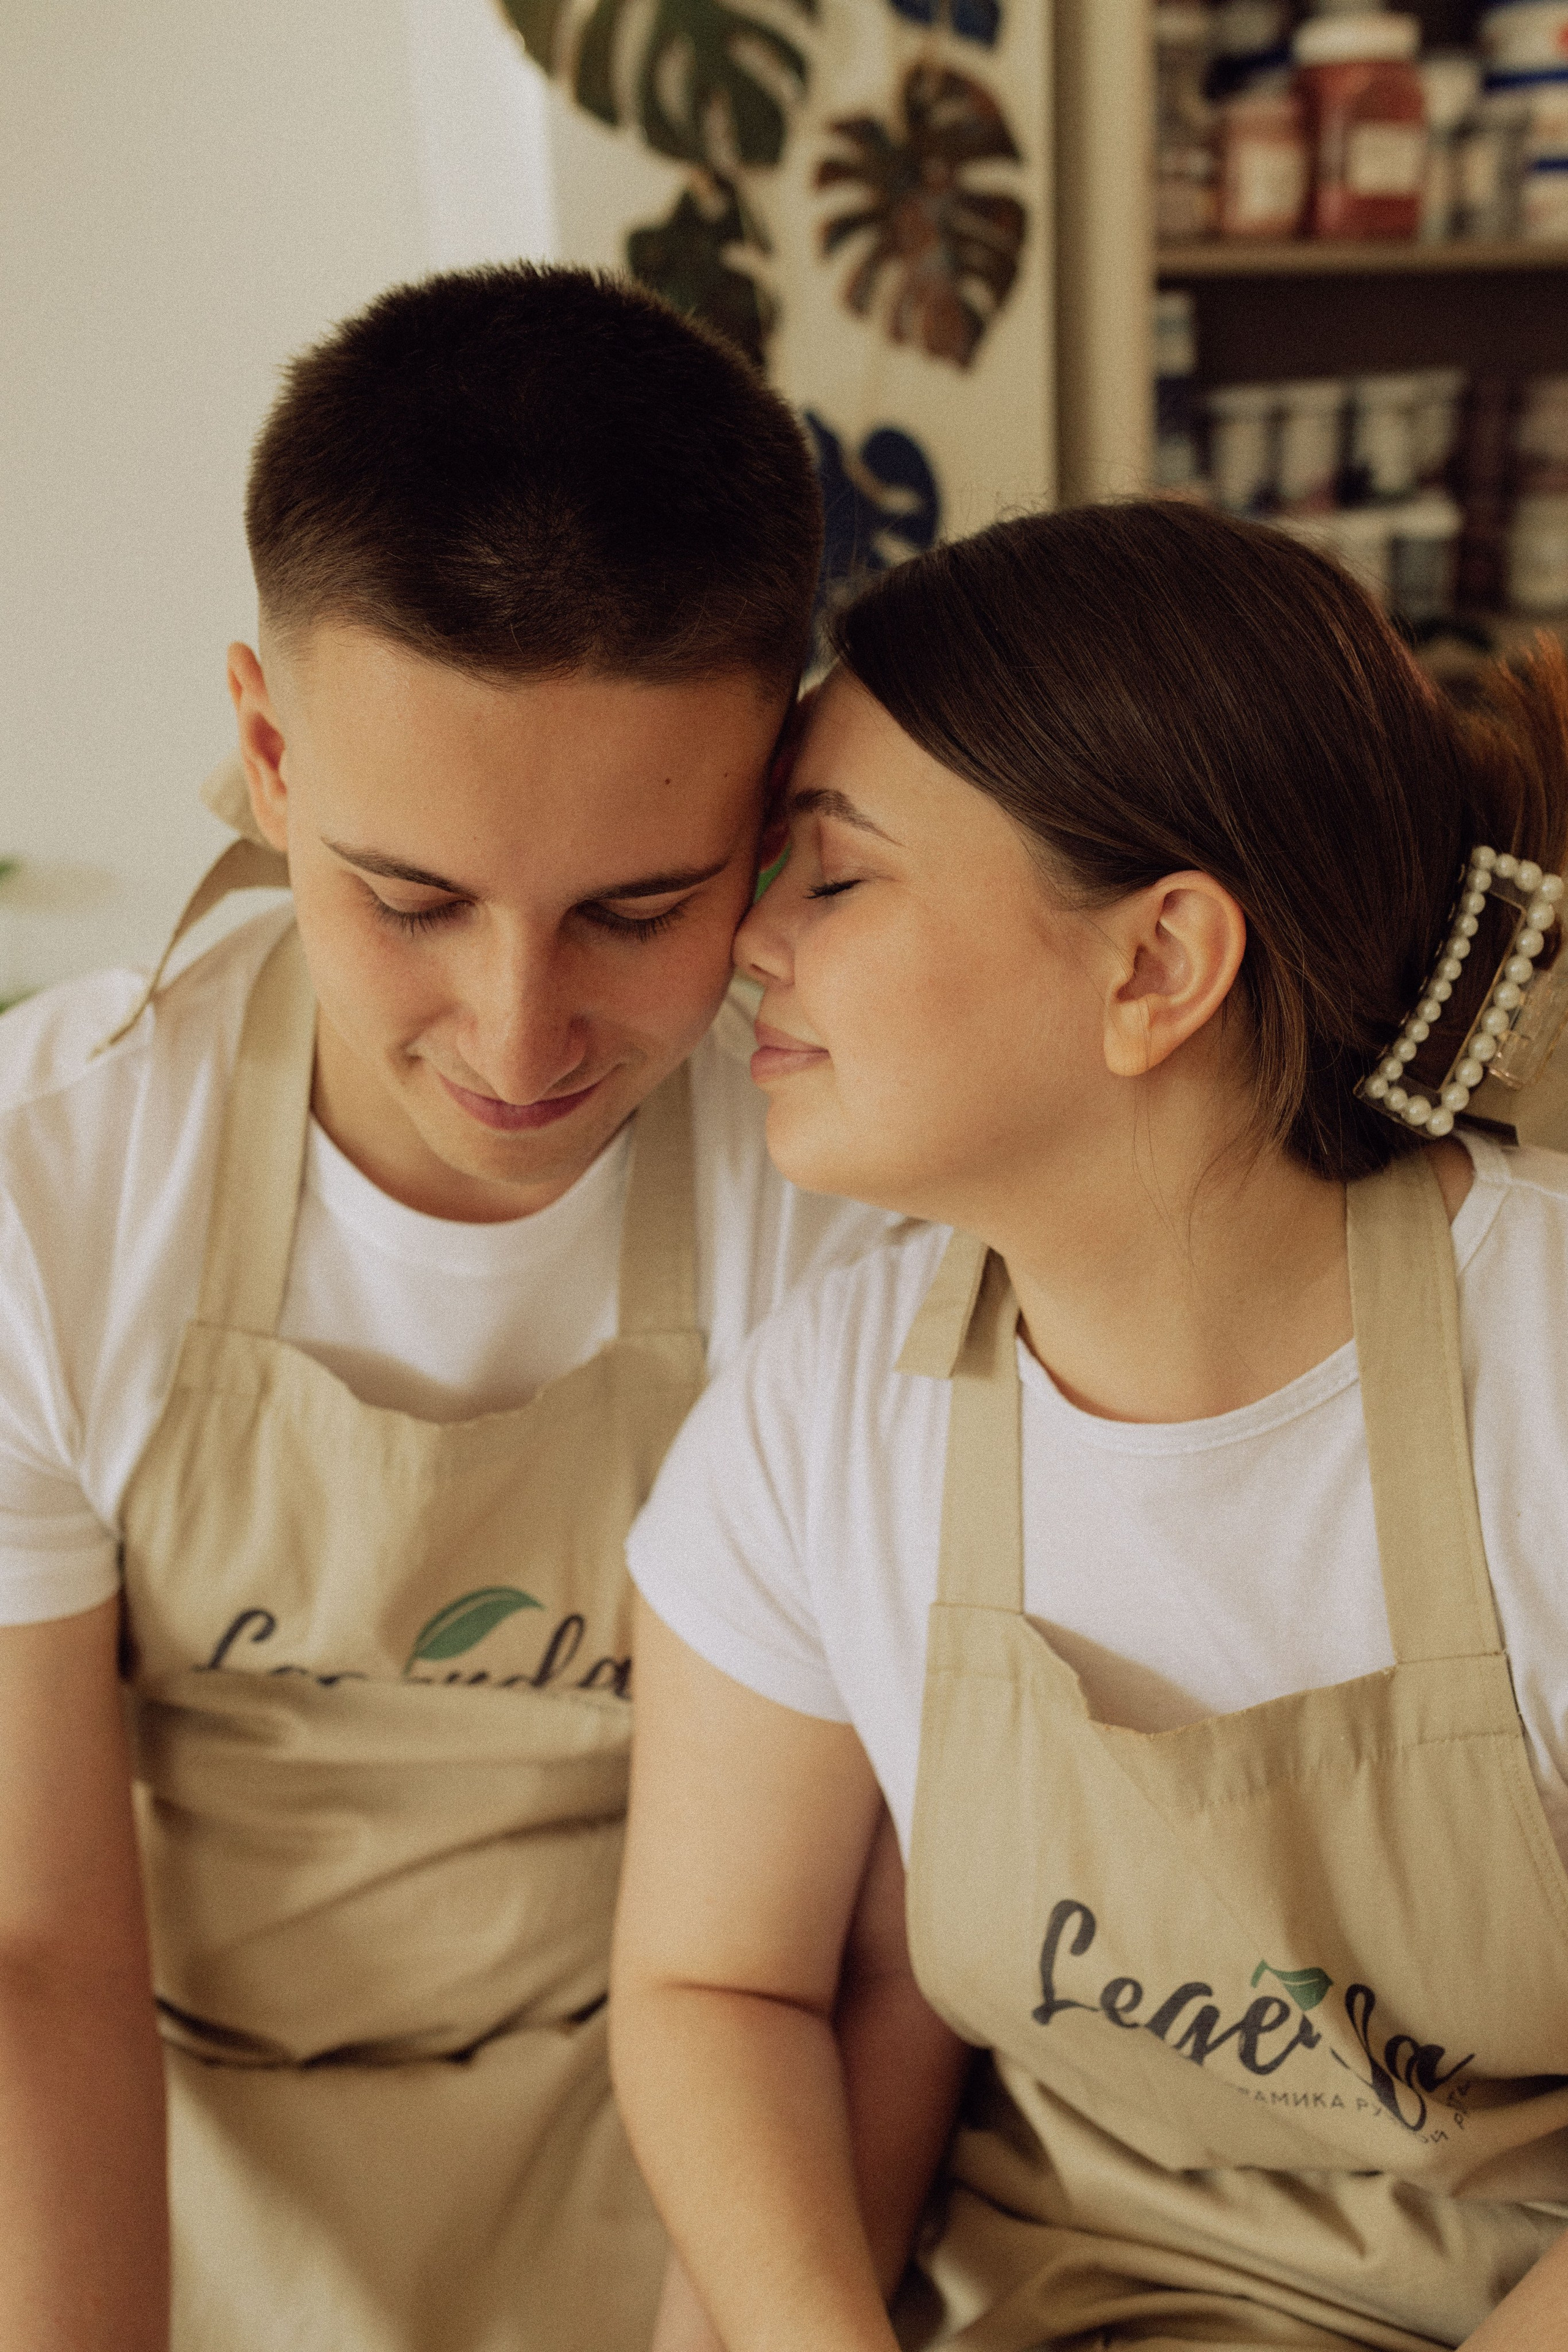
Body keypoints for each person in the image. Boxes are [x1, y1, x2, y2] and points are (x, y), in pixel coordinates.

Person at [0, 263, 957, 2352]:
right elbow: (34, 1956)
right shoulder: (48, 1183)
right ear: (265, 747)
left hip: (697, 2169)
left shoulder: (872, 1210)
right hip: (157, 2177)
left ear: (778, 799)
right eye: (409, 900)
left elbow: (874, 1954)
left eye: (643, 907)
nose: (520, 1033)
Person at [614, 498, 1568, 2352]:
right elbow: (716, 1984)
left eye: (832, 876)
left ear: (1156, 967)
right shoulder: (821, 1424)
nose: (748, 940)